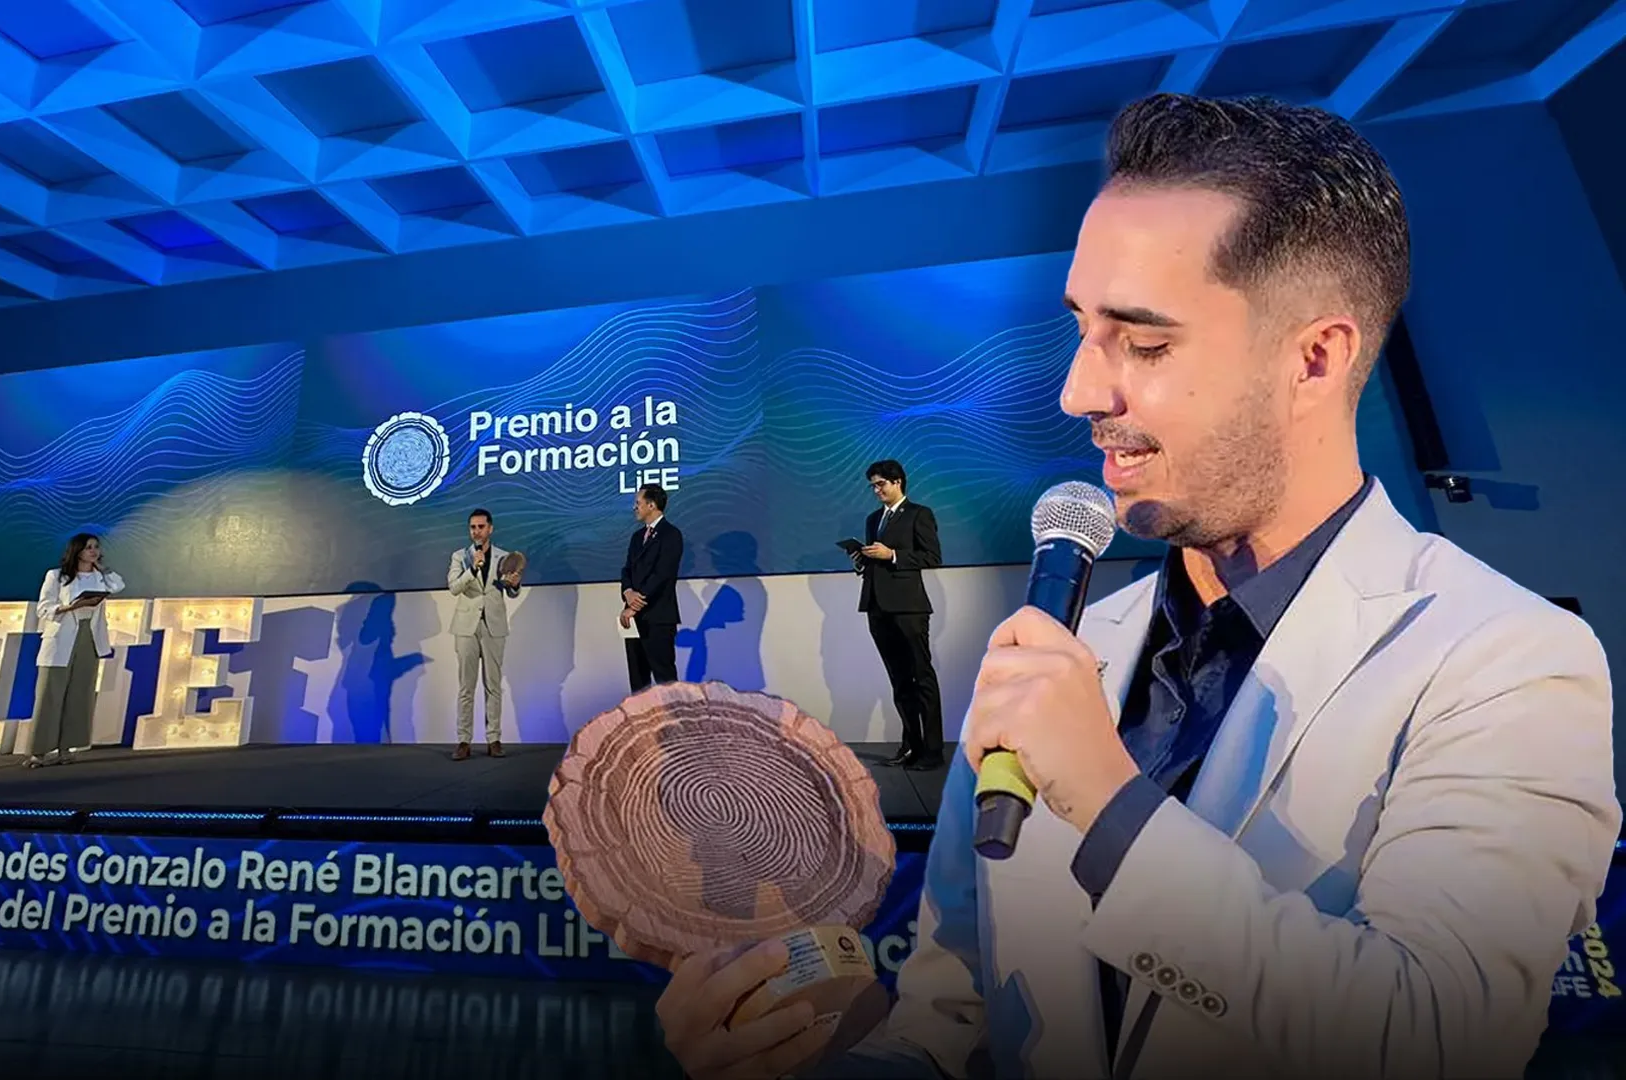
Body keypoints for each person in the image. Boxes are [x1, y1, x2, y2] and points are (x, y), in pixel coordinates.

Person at [654, 93, 1619, 1079]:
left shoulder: (1508, 662)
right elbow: (957, 1018)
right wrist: (813, 1058)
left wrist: (1111, 805)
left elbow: (1438, 1039)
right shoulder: (1057, 648)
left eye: (1146, 343)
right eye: (1081, 328)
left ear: (1315, 358)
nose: (1078, 391)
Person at [854, 459, 944, 769]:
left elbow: (932, 557)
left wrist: (891, 554)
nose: (876, 490)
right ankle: (911, 746)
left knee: (922, 678)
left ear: (898, 482)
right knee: (900, 681)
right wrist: (862, 559)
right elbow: (875, 560)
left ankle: (932, 752)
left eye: (880, 484)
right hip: (877, 607)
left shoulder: (919, 514)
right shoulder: (873, 519)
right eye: (873, 486)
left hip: (909, 607)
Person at [27, 532, 124, 768]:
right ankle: (40, 751)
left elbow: (119, 585)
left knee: (81, 692)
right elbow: (43, 607)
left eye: (96, 547)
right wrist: (69, 606)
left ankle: (66, 748)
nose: (93, 551)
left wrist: (102, 567)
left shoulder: (100, 577)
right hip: (62, 636)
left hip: (88, 637)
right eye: (88, 547)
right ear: (77, 550)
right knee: (51, 693)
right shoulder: (57, 576)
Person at [447, 508, 522, 760]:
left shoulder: (503, 557)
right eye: (472, 527)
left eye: (480, 527)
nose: (476, 531)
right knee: (466, 687)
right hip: (466, 627)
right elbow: (454, 587)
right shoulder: (460, 556)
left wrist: (513, 585)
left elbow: (510, 591)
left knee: (493, 685)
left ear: (490, 528)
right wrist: (473, 569)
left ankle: (494, 739)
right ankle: (464, 741)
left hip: (494, 626)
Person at [620, 483, 683, 691]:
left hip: (658, 619)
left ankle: (674, 723)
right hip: (634, 621)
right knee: (638, 683)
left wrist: (636, 605)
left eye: (638, 503)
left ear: (652, 505)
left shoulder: (671, 534)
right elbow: (627, 570)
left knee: (665, 680)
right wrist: (627, 592)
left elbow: (662, 575)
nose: (634, 507)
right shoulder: (637, 537)